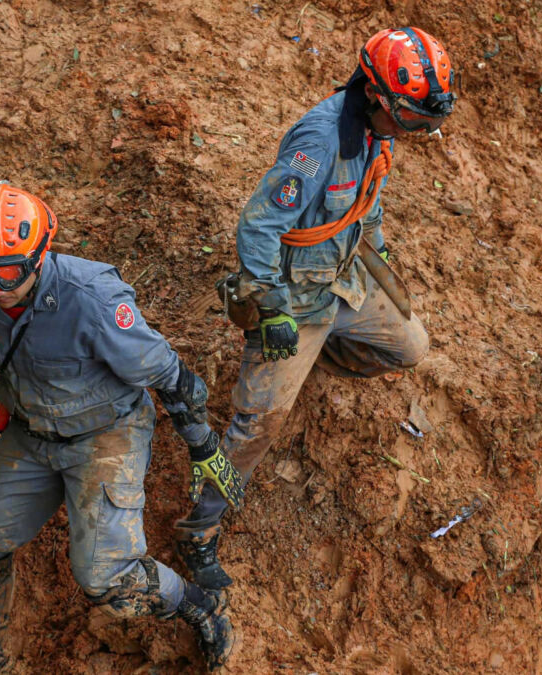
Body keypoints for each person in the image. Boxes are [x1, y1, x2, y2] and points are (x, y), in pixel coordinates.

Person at [0, 183, 245, 673]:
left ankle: (201, 605)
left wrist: (203, 446)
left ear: (37, 257)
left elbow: (164, 371)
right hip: (31, 434)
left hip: (105, 435)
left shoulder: (90, 298)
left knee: (106, 579)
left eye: (6, 271)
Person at [175, 27, 458, 589]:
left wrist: (377, 259)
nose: (422, 131)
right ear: (379, 96)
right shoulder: (321, 140)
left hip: (343, 281)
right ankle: (199, 527)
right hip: (294, 298)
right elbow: (258, 225)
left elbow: (368, 203)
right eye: (416, 120)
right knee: (259, 424)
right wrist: (272, 308)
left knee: (411, 345)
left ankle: (318, 359)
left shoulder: (380, 133)